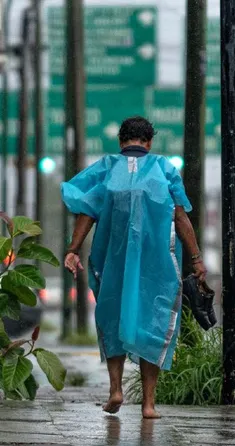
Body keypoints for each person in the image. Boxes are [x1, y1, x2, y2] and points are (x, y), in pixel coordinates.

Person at [60, 116, 207, 419]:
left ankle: (115, 390)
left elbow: (86, 212)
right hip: (158, 265)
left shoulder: (107, 167)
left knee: (113, 317)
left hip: (112, 260)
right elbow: (180, 218)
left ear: (121, 141)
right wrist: (196, 258)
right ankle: (149, 404)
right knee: (154, 323)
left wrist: (73, 249)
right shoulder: (164, 169)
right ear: (149, 142)